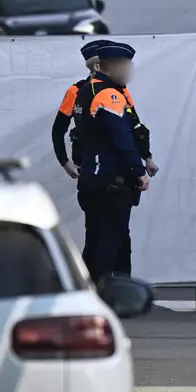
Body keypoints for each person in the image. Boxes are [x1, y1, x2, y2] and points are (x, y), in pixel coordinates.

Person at [73, 41, 150, 282]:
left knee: (96, 239)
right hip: (110, 180)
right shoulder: (110, 95)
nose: (128, 71)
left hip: (92, 177)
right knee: (111, 243)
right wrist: (138, 170)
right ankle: (112, 293)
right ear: (110, 67)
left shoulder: (85, 90)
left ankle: (89, 290)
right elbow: (122, 137)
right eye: (124, 66)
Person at [52, 40, 108, 180]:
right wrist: (64, 162)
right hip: (86, 162)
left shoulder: (118, 90)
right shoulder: (75, 91)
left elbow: (132, 125)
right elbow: (58, 129)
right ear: (96, 66)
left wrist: (145, 158)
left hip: (115, 163)